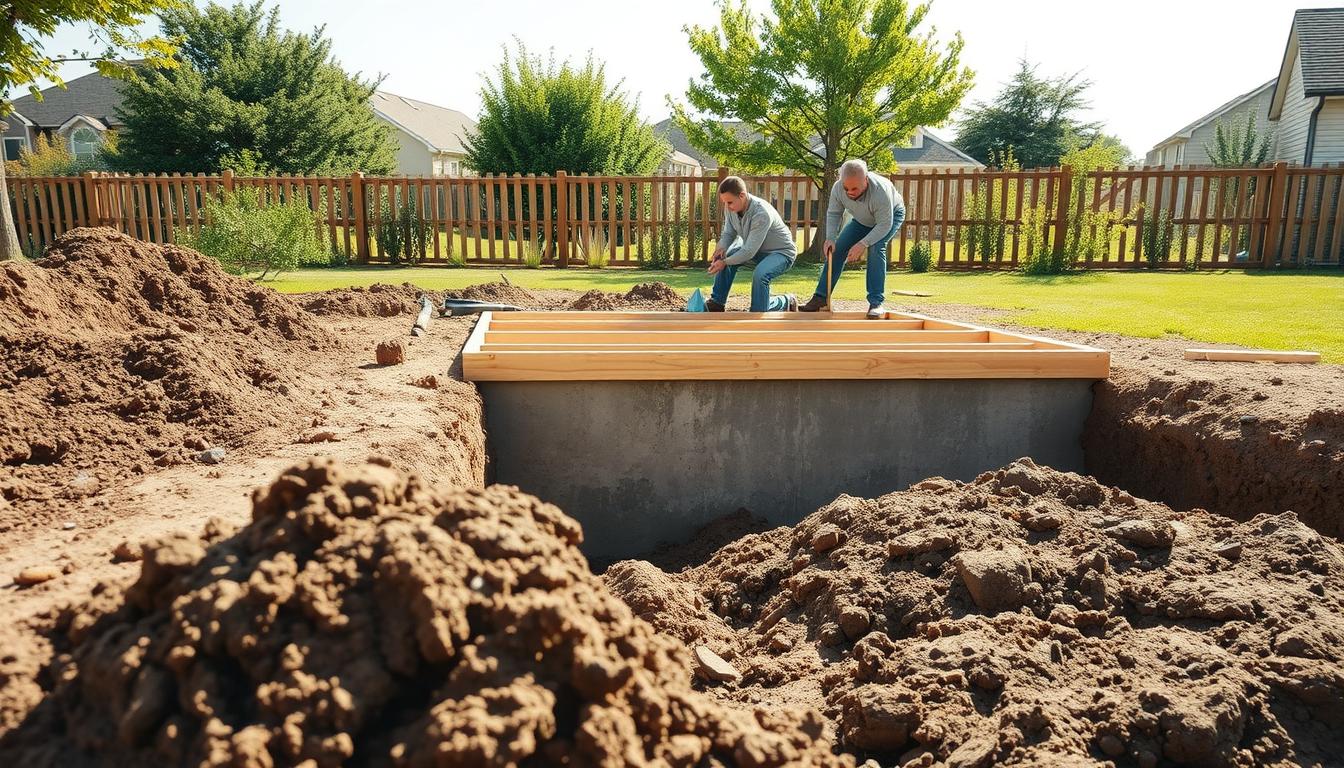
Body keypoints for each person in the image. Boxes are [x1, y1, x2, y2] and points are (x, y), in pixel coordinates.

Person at [799, 158, 907, 318]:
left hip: (890, 216)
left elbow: (884, 225)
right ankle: (820, 297)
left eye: (855, 188)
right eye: (846, 188)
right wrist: (830, 238)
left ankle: (876, 303)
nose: (850, 192)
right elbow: (834, 213)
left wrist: (863, 243)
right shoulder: (837, 189)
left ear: (866, 180)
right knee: (837, 250)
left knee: (876, 248)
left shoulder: (881, 191)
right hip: (862, 220)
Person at [706, 176, 798, 312]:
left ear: (742, 195)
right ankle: (717, 302)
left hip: (781, 253)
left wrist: (725, 262)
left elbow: (748, 251)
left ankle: (786, 301)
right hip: (757, 251)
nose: (727, 207)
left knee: (760, 277)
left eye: (729, 202)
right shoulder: (731, 208)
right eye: (724, 203)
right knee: (727, 254)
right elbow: (729, 233)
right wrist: (721, 248)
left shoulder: (761, 213)